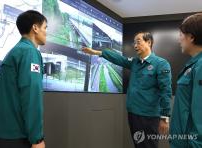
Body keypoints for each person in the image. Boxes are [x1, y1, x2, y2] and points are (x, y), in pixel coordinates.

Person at [82, 32, 172, 148]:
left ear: (149, 42)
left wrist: (165, 117)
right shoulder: (135, 62)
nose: (135, 46)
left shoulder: (161, 64)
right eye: (134, 43)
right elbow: (118, 59)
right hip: (133, 114)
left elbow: (166, 91)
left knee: (149, 146)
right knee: (138, 145)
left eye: (138, 42)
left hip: (148, 116)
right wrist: (97, 52)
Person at [0, 10, 47, 148]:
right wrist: (37, 139)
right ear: (35, 28)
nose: (46, 32)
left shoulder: (16, 51)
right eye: (45, 28)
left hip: (5, 135)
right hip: (18, 137)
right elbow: (31, 96)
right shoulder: (29, 52)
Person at [170, 13, 202, 148]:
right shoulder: (193, 65)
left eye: (181, 35)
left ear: (191, 37)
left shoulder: (200, 66)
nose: (179, 40)